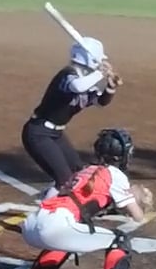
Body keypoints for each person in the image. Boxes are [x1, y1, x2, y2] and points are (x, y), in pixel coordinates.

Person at [15, 129, 156, 269]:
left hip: (33, 224)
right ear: (121, 155)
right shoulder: (115, 174)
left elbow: (55, 195)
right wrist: (135, 197)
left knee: (68, 236)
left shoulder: (84, 170)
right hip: (55, 226)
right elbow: (137, 216)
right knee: (120, 240)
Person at [22, 36, 121, 192]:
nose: (101, 63)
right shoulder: (67, 75)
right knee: (65, 181)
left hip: (56, 134)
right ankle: (48, 206)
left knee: (79, 173)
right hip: (38, 133)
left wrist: (110, 87)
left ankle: (55, 201)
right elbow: (77, 87)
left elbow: (101, 102)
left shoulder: (86, 81)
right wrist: (100, 74)